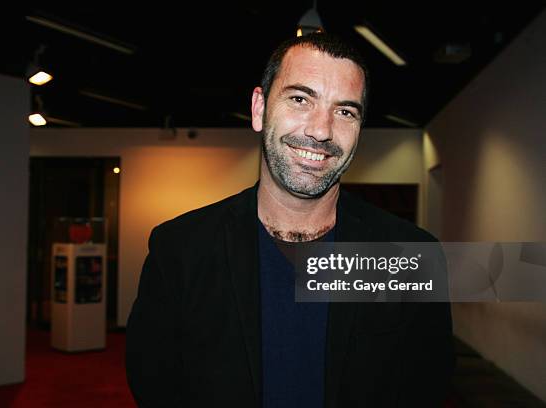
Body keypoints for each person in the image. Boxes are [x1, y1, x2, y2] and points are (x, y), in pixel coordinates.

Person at [126, 33, 454, 408]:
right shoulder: (181, 249)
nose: (321, 130)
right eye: (301, 99)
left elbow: (425, 385)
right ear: (259, 108)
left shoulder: (409, 254)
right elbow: (155, 384)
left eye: (345, 111)